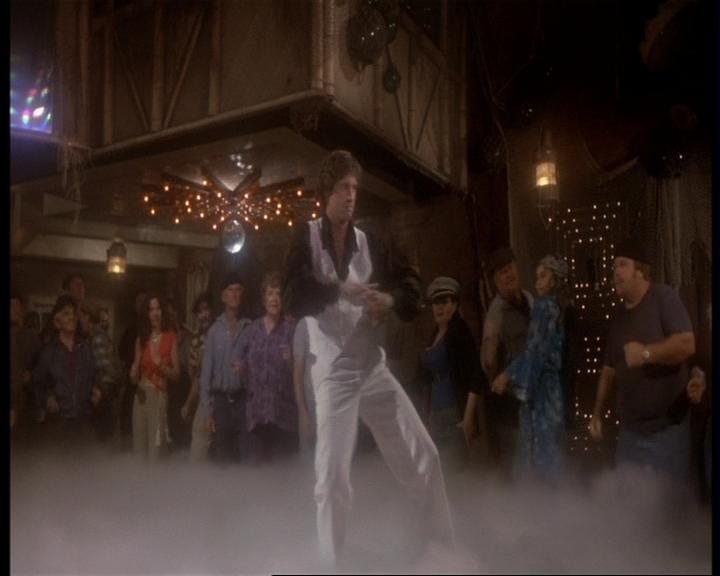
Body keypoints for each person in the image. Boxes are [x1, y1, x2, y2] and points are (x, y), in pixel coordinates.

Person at [284, 149, 454, 566]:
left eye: (355, 188)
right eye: (343, 187)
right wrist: (336, 290)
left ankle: (441, 552)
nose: (351, 195)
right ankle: (331, 565)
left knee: (426, 454)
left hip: (370, 367)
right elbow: (292, 297)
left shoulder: (370, 242)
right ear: (327, 191)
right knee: (332, 479)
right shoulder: (306, 238)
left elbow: (411, 285)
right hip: (333, 372)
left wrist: (389, 299)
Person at [589, 238, 696, 482]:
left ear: (640, 270)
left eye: (622, 265)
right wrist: (596, 413)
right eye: (613, 267)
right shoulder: (618, 316)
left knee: (668, 502)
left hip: (667, 433)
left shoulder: (663, 297)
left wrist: (646, 353)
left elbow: (687, 344)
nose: (615, 272)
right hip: (630, 436)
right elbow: (608, 369)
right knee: (629, 501)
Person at [490, 255, 571, 479]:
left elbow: (535, 352)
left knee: (540, 447)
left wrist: (508, 375)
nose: (538, 282)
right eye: (537, 277)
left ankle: (541, 494)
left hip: (542, 387)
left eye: (543, 276)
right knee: (548, 445)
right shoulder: (555, 306)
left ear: (554, 280)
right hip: (549, 386)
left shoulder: (544, 306)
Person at [463, 246, 533, 475]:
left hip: (535, 400)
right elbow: (486, 364)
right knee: (518, 469)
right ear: (495, 281)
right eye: (502, 272)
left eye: (510, 267)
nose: (508, 274)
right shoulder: (496, 314)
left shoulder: (530, 300)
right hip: (511, 407)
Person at [418, 277, 485, 467]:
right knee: (440, 468)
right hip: (435, 411)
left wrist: (468, 417)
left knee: (455, 467)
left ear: (455, 305)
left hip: (455, 411)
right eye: (435, 303)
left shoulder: (460, 331)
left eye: (444, 301)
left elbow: (476, 375)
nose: (439, 307)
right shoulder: (435, 334)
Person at [238, 272, 298, 463]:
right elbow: (242, 367)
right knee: (258, 474)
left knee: (281, 473)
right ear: (264, 299)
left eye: (278, 294)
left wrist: (291, 361)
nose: (274, 298)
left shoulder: (291, 328)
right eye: (270, 294)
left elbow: (300, 371)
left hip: (283, 416)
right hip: (257, 416)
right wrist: (241, 368)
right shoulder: (252, 330)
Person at [32, 295, 103, 452]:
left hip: (83, 420)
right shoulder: (48, 352)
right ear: (57, 322)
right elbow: (37, 383)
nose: (72, 318)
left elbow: (95, 375)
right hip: (58, 424)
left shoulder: (85, 348)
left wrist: (97, 389)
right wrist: (46, 399)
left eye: (73, 314)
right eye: (66, 314)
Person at [199, 273, 252, 463]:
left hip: (243, 401)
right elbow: (206, 374)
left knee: (245, 456)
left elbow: (255, 367)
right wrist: (207, 412)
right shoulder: (214, 331)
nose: (234, 294)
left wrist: (245, 368)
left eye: (238, 290)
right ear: (223, 296)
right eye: (230, 290)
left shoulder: (250, 328)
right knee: (223, 459)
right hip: (221, 402)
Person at [129, 293, 180, 462]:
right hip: (140, 397)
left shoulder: (171, 337)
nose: (155, 313)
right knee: (139, 451)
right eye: (151, 310)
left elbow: (177, 375)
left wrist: (162, 366)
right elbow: (134, 378)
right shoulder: (141, 340)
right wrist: (133, 373)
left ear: (162, 311)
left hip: (159, 397)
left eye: (158, 309)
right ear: (147, 314)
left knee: (155, 452)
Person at [78, 301, 119, 443]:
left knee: (102, 440)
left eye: (80, 317)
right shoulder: (91, 337)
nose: (78, 321)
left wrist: (100, 391)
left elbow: (107, 371)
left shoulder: (97, 337)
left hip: (104, 396)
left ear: (87, 317)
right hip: (101, 394)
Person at [182, 292, 213, 461]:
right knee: (198, 448)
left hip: (221, 398)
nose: (203, 315)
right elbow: (195, 377)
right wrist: (188, 403)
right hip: (203, 399)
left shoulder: (220, 331)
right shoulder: (195, 339)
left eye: (206, 309)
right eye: (199, 312)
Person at [10, 292, 41, 442]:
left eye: (17, 306)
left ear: (23, 310)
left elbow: (42, 364)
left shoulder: (32, 337)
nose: (14, 310)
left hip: (27, 400)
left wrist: (31, 373)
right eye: (11, 306)